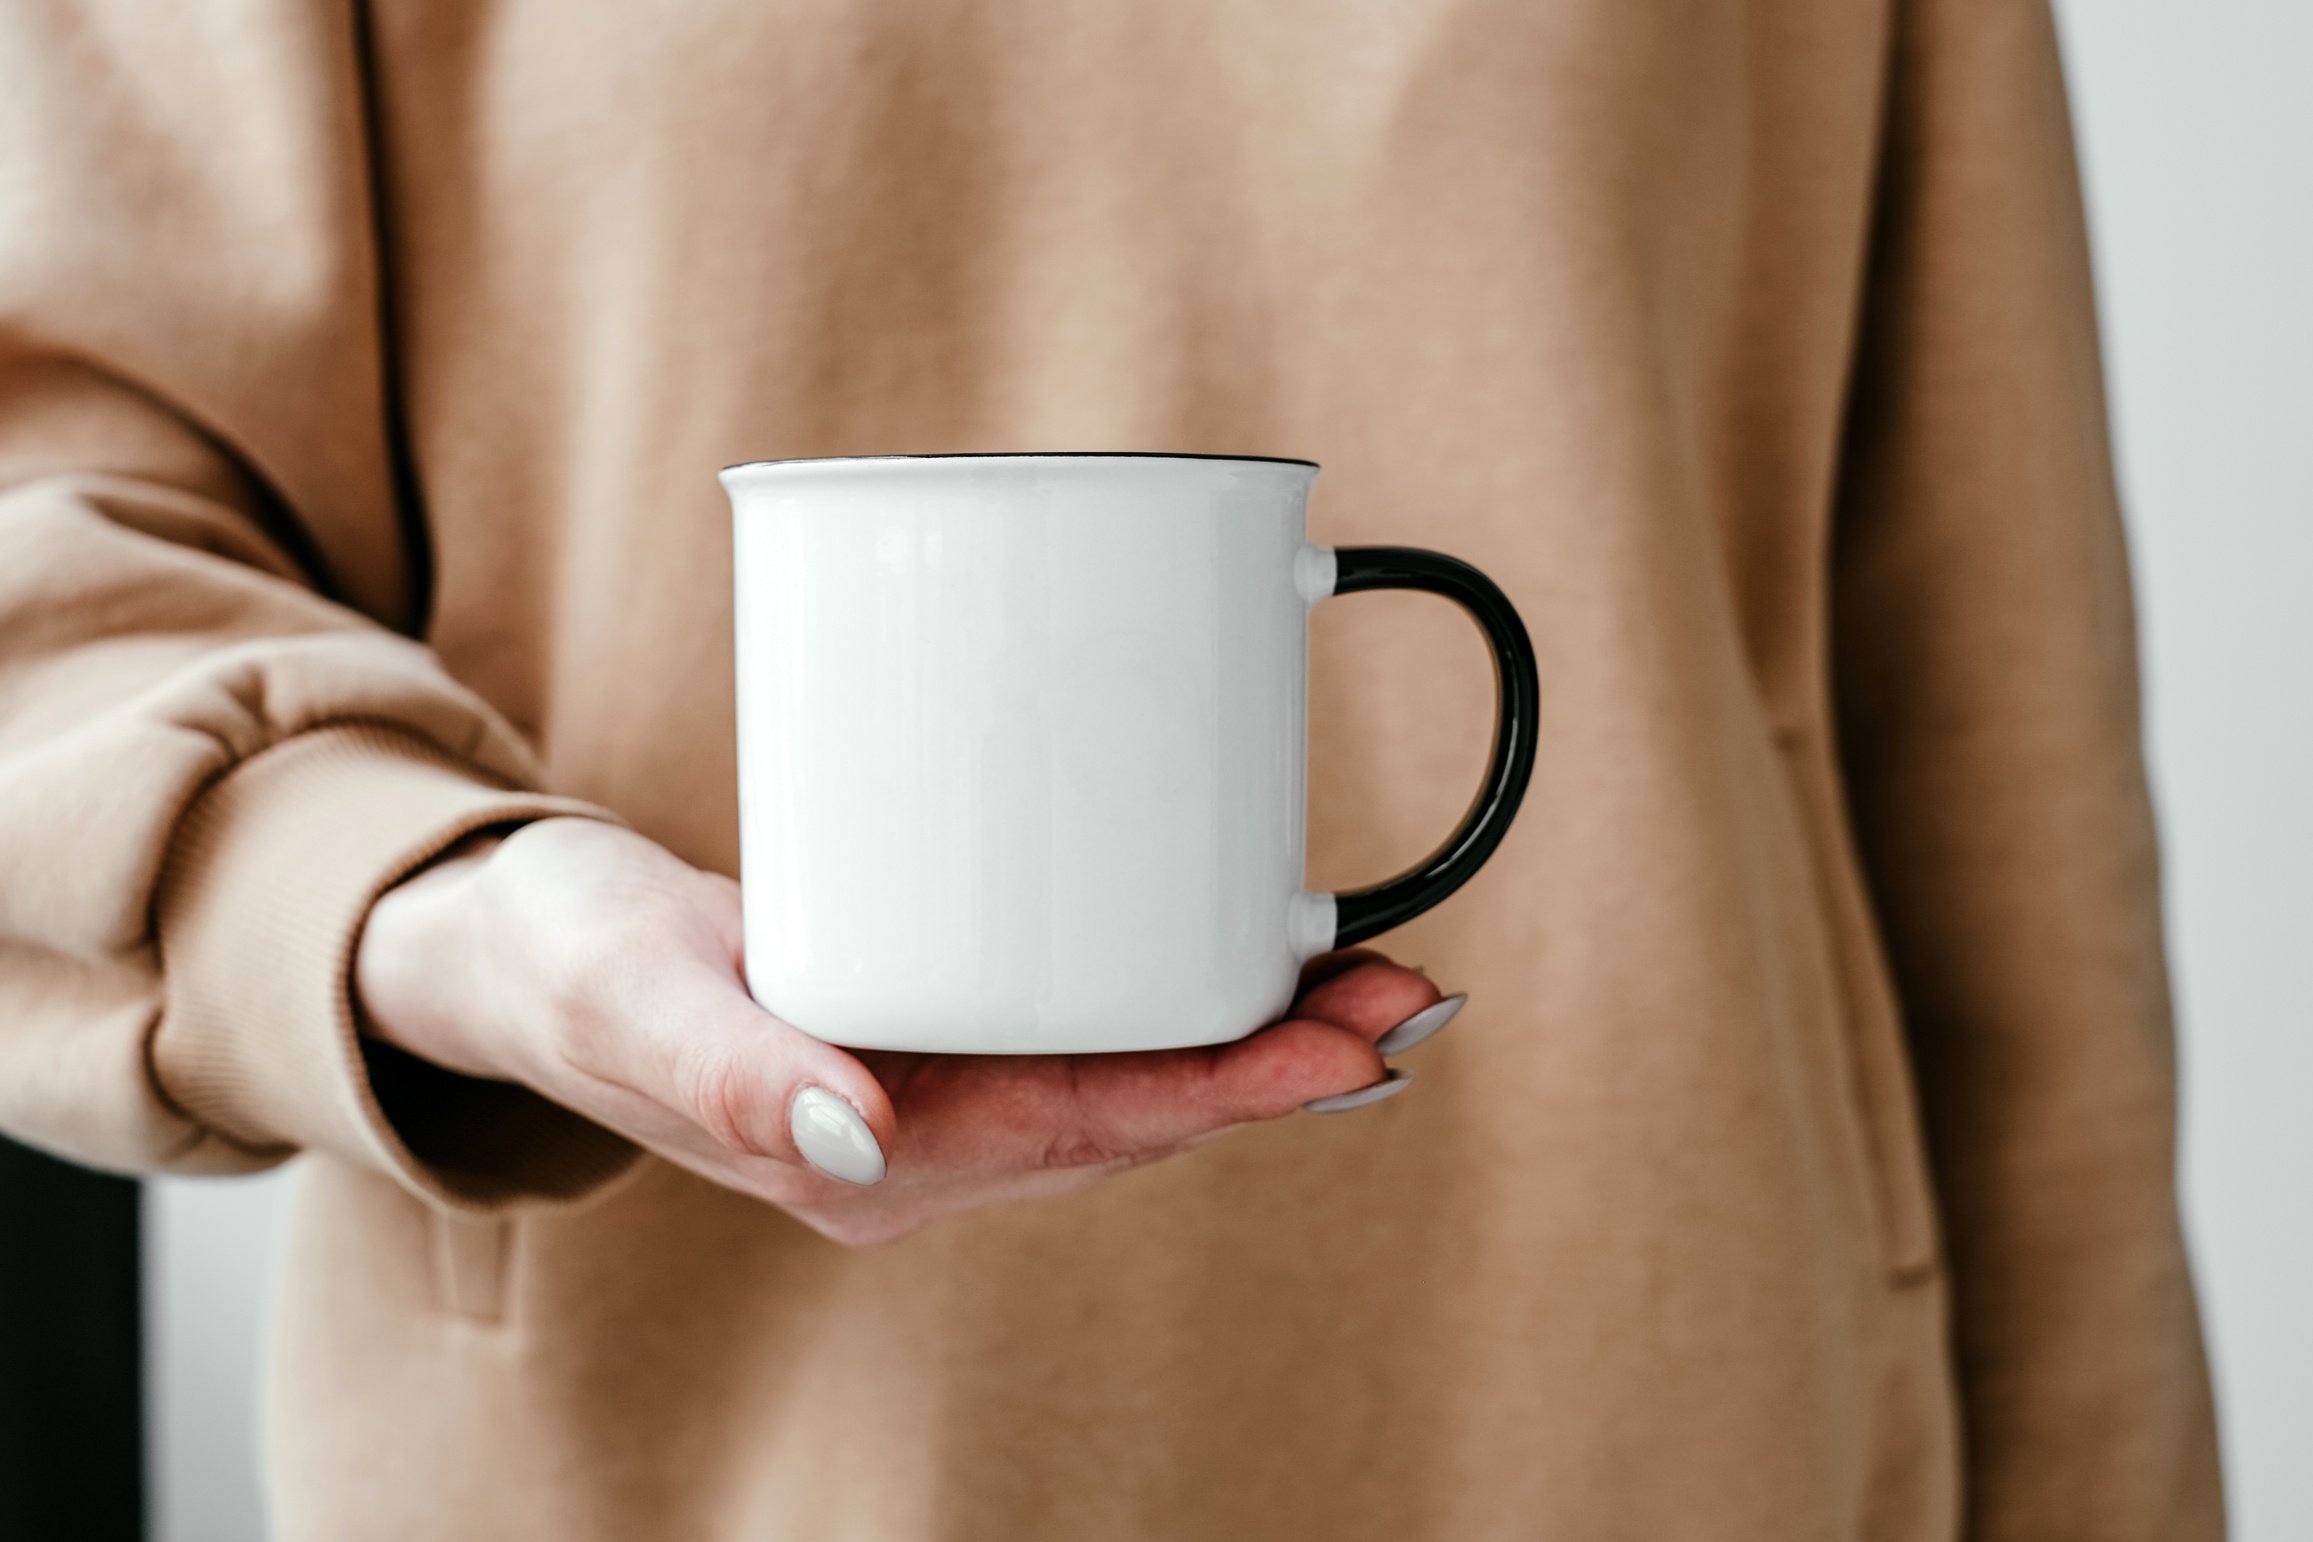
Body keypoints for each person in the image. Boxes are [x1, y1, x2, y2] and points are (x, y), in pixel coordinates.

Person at [0, 2, 2221, 1538]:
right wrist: (436, 907)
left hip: (1681, 1415)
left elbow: (1990, 741)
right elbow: (52, 534)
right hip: (684, 1461)